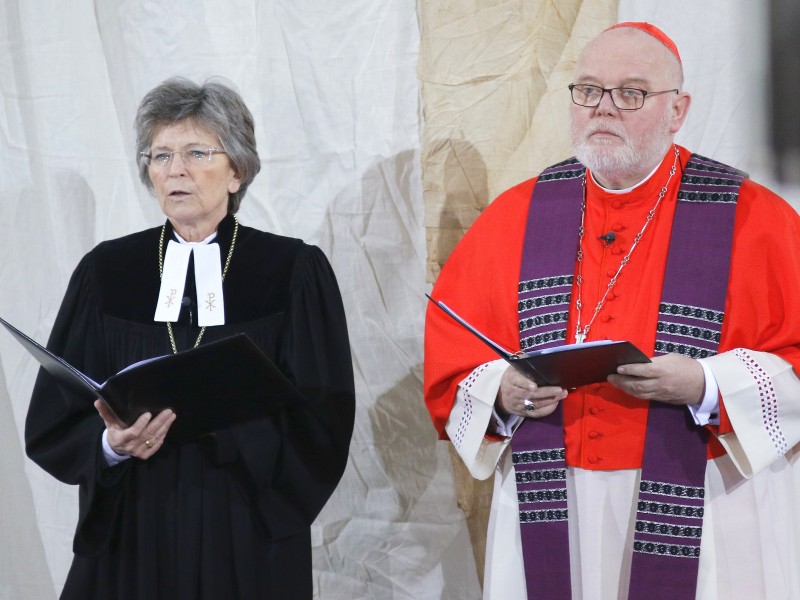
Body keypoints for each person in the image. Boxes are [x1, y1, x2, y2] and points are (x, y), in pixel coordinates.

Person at [424, 22, 800, 600]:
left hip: (702, 498)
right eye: (589, 90)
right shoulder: (518, 214)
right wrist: (504, 391)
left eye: (631, 93)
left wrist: (705, 383)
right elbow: (455, 359)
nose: (605, 108)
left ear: (679, 110)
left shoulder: (754, 217)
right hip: (552, 495)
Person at [25, 77, 355, 599]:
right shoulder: (107, 273)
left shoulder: (291, 271)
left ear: (236, 171)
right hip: (133, 524)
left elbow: (324, 416)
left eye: (196, 152)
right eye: (160, 156)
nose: (174, 170)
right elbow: (53, 416)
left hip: (244, 525)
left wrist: (233, 436)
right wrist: (111, 446)